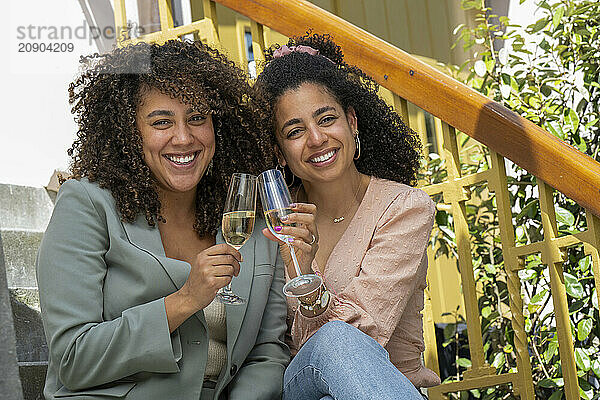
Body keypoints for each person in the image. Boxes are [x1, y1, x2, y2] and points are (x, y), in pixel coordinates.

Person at [36, 40, 289, 400]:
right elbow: (74, 359)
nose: (184, 138)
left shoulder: (247, 215)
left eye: (197, 118)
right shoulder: (88, 204)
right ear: (129, 132)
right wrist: (185, 300)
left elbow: (267, 352)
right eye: (161, 122)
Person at [255, 32, 441, 399]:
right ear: (279, 152)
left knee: (340, 340)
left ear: (352, 122)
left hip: (379, 387)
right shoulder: (272, 219)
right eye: (295, 131)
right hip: (297, 387)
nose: (316, 138)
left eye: (326, 119)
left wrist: (306, 278)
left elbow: (362, 336)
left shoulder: (404, 208)